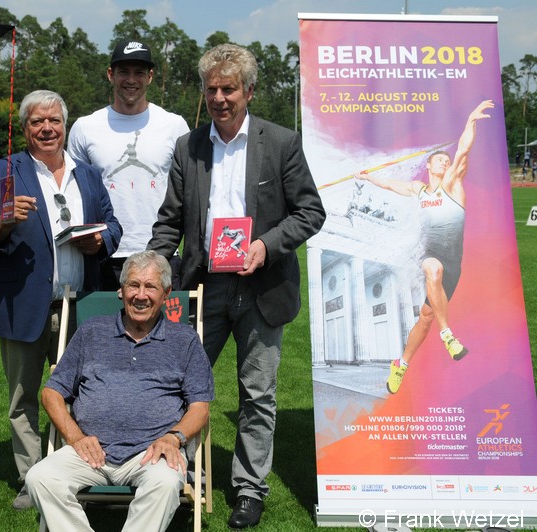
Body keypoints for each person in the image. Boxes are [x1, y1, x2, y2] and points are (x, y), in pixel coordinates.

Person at [147, 44, 325, 529]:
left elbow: (310, 212)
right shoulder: (188, 147)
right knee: (179, 386)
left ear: (249, 91)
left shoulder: (282, 142)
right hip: (203, 287)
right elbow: (169, 221)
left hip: (263, 289)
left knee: (257, 394)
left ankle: (249, 488)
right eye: (212, 89)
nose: (220, 98)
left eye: (229, 89)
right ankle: (179, 473)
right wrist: (155, 270)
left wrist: (266, 245)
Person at [0, 89, 122, 510]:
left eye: (54, 120)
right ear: (25, 128)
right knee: (23, 397)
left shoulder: (88, 174)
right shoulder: (1, 172)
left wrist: (100, 242)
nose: (47, 128)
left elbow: (113, 225)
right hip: (22, 305)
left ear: (65, 126)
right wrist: (3, 221)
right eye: (37, 121)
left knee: (85, 395)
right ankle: (31, 479)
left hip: (80, 305)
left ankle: (80, 472)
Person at [25, 250, 214, 531]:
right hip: (90, 451)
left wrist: (174, 438)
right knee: (40, 478)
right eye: (133, 285)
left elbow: (200, 406)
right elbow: (51, 393)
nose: (140, 295)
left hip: (152, 452)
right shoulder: (91, 331)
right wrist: (75, 437)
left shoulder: (184, 340)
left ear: (166, 294)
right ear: (121, 290)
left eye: (150, 286)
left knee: (165, 483)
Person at [355, 100, 493, 394]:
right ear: (427, 165)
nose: (445, 162)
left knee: (426, 316)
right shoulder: (419, 190)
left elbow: (464, 150)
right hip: (432, 254)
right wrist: (367, 177)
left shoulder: (452, 185)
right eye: (439, 160)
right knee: (432, 269)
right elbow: (392, 185)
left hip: (454, 261)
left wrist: (471, 119)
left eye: (446, 161)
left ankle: (400, 364)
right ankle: (448, 335)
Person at [68, 39, 189, 290]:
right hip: (104, 253)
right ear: (110, 74)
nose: (131, 80)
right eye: (123, 71)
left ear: (150, 76)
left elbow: (186, 194)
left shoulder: (174, 125)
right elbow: (75, 195)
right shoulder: (84, 127)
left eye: (139, 72)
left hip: (161, 254)